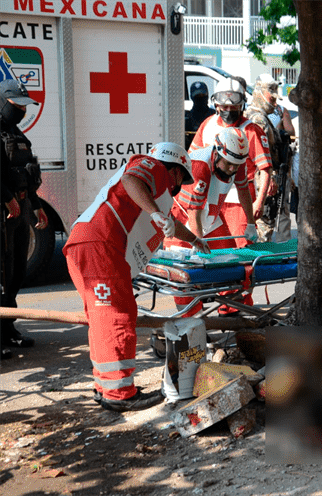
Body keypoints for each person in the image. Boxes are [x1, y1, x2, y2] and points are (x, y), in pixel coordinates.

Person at [63, 142, 205, 411]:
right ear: (174, 170)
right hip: (102, 245)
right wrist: (154, 212)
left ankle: (107, 387)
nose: (177, 187)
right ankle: (119, 394)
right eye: (180, 180)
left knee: (103, 318)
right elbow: (131, 180)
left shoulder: (155, 193)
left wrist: (195, 239)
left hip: (88, 242)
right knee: (116, 315)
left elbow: (170, 225)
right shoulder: (154, 168)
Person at [166, 128, 255, 316]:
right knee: (184, 277)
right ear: (218, 153)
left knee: (232, 264)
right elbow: (194, 214)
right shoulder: (199, 165)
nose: (232, 169)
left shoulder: (236, 160)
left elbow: (243, 190)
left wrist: (251, 223)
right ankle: (192, 323)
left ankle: (232, 312)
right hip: (182, 219)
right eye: (229, 164)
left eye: (236, 165)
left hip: (211, 215)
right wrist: (198, 243)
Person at [188, 77, 273, 249]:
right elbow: (192, 157)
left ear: (241, 105)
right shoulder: (208, 124)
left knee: (243, 249)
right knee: (213, 249)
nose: (228, 110)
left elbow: (265, 168)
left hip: (239, 200)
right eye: (224, 107)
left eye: (233, 106)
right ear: (216, 105)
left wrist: (260, 201)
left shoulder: (251, 130)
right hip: (209, 198)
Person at [0, 79, 47, 360]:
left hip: (20, 208)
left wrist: (36, 206)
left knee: (16, 272)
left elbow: (27, 173)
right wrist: (6, 198)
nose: (21, 111)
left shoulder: (16, 134)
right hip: (3, 210)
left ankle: (8, 330)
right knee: (1, 275)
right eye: (17, 106)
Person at [246, 74, 294, 244]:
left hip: (267, 178)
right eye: (271, 93)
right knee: (263, 228)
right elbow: (259, 154)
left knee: (269, 223)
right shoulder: (257, 119)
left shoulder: (260, 117)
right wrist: (271, 176)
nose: (275, 101)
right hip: (262, 180)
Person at [184, 81, 215, 149]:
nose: (200, 99)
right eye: (197, 96)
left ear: (207, 96)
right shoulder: (187, 118)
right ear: (192, 97)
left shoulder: (214, 116)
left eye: (203, 95)